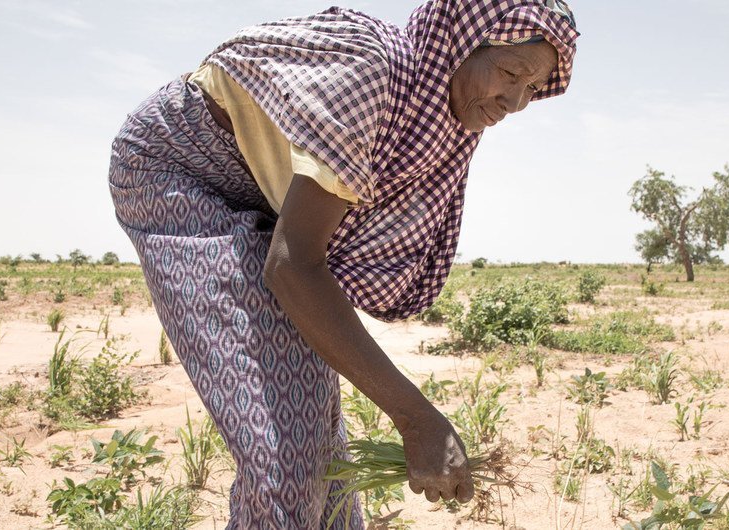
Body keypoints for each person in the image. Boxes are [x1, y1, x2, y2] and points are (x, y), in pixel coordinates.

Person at [108, 0, 578, 527]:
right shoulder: (372, 76)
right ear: (461, 44)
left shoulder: (443, 116)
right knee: (285, 454)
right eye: (510, 73)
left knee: (312, 429)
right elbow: (293, 266)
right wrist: (416, 419)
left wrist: (414, 416)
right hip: (177, 168)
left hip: (264, 198)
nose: (515, 102)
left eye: (532, 88)